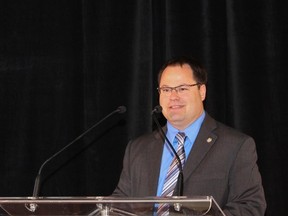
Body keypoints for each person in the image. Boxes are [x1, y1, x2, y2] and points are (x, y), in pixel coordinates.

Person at [113, 56, 266, 215]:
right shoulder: (138, 149)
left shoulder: (236, 146)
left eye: (182, 88)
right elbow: (119, 205)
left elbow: (251, 206)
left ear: (202, 92)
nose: (173, 97)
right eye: (166, 89)